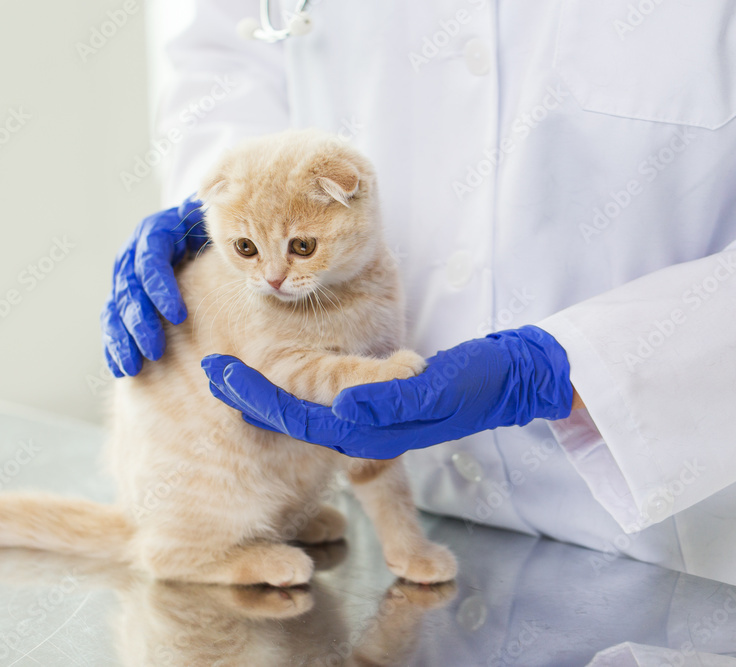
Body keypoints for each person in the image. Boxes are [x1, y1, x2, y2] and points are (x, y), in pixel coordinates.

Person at [102, 0, 736, 586]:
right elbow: (220, 52)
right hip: (404, 518)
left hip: (680, 520)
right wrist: (221, 218)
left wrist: (577, 366)